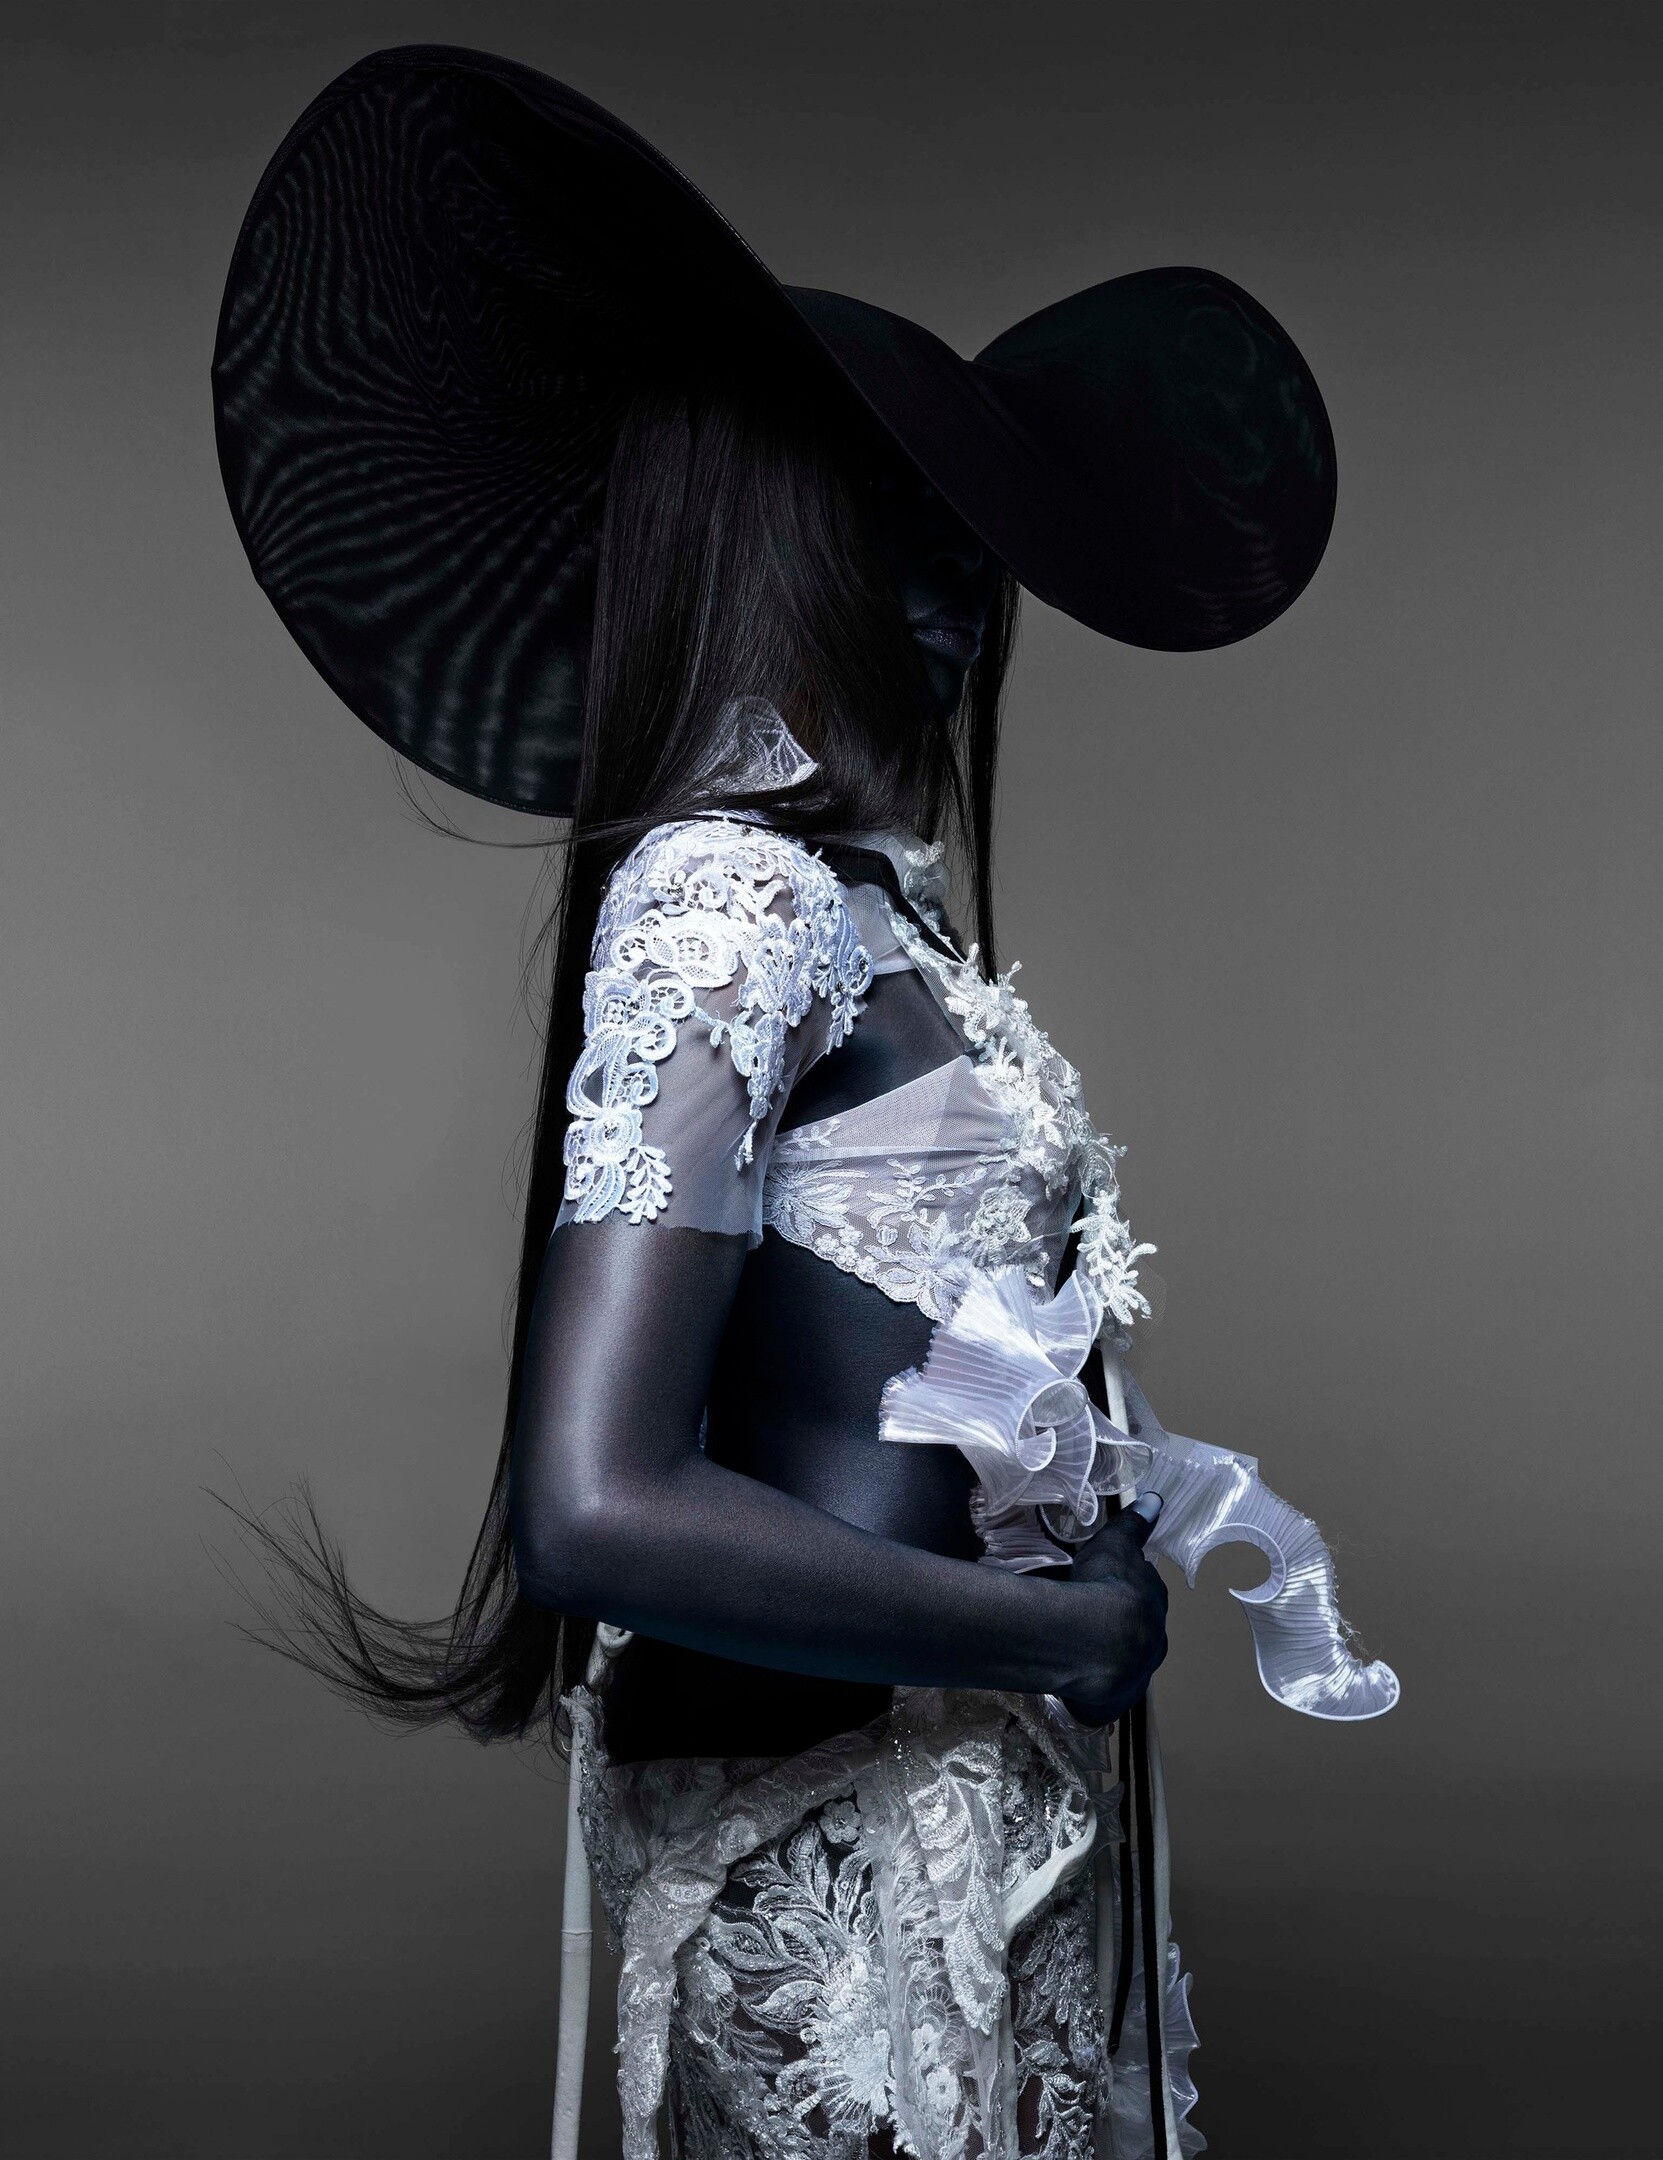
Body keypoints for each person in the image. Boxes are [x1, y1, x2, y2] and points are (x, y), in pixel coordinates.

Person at [214, 45, 1394, 2160]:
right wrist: (1042, 1623)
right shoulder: (728, 900)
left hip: (985, 1816)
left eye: (967, 544)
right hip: (836, 1861)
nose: (949, 594)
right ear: (764, 542)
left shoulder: (873, 912)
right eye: (887, 526)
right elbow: (595, 1508)